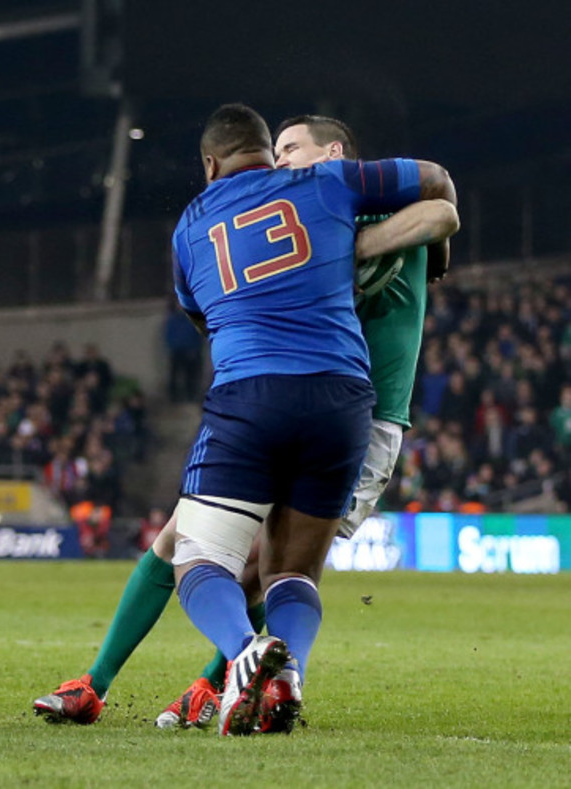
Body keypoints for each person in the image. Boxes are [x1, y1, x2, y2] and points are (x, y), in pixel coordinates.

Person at [33, 106, 457, 733]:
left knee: (243, 564)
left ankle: (222, 676)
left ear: (333, 153)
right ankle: (118, 683)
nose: (282, 161)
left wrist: (360, 248)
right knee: (193, 543)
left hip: (358, 413)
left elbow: (443, 210)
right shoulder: (318, 196)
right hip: (337, 401)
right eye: (276, 149)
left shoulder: (347, 197)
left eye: (293, 148)